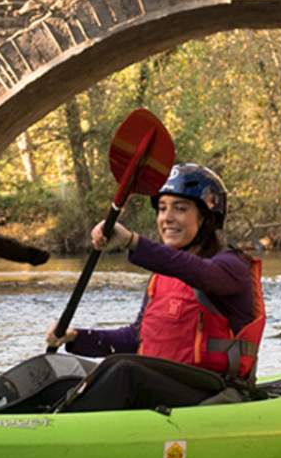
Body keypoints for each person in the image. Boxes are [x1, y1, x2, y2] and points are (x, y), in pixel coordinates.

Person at [46, 163, 266, 412]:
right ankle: (45, 418)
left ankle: (62, 430)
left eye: (180, 209)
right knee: (68, 374)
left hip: (214, 392)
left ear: (206, 217)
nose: (167, 218)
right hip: (162, 385)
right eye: (162, 209)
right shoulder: (162, 275)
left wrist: (132, 241)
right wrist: (76, 337)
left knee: (124, 369)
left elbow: (200, 272)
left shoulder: (231, 267)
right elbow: (137, 338)